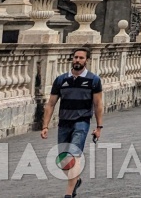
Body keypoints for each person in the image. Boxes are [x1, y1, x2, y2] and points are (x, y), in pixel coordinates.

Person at [40, 47, 104, 198]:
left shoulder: (94, 80)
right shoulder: (61, 80)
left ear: (86, 60)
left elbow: (98, 105)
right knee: (63, 160)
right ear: (72, 59)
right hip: (64, 122)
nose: (77, 60)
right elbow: (51, 104)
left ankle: (68, 194)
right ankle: (76, 180)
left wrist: (99, 127)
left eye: (81, 58)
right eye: (76, 57)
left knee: (74, 155)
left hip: (82, 121)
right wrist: (45, 126)